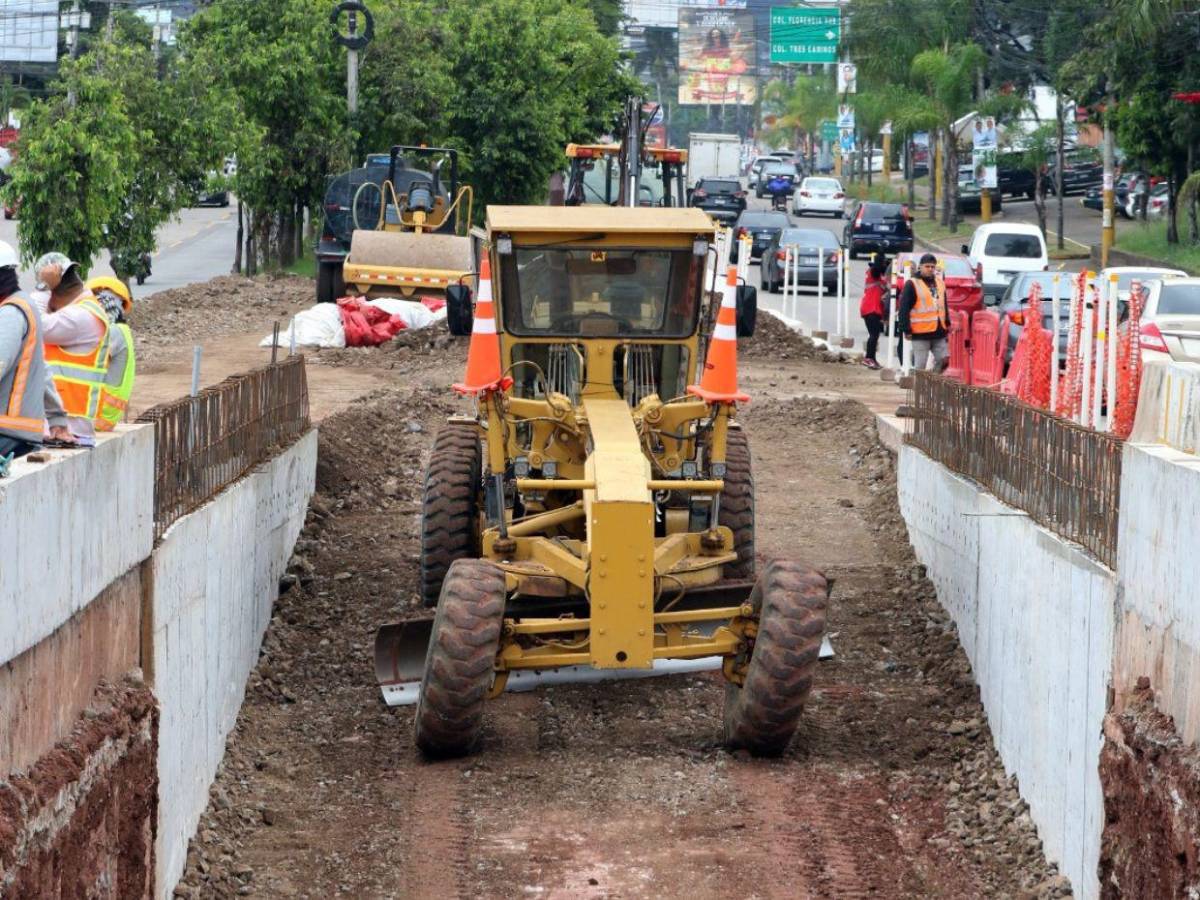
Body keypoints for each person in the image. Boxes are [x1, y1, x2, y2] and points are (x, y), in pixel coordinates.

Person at [0, 241, 68, 459]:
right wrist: (57, 417)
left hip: (8, 432)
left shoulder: (10, 313)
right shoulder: (22, 305)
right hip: (18, 433)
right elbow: (42, 369)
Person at [34, 252, 111, 442]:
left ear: (54, 294)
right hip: (63, 428)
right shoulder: (81, 312)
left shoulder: (80, 317)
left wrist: (43, 288)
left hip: (70, 429)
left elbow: (34, 323)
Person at [86, 276, 136, 431]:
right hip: (104, 414)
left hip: (98, 413)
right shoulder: (122, 331)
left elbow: (85, 356)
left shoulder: (113, 332)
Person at [898, 252, 949, 372]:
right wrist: (905, 328)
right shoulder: (912, 284)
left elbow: (944, 305)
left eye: (932, 267)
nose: (930, 269)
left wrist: (947, 323)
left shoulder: (940, 283)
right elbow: (904, 308)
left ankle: (933, 383)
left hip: (939, 331)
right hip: (920, 332)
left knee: (943, 360)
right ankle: (919, 388)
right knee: (920, 366)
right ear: (920, 267)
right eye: (927, 266)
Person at [859, 257, 888, 370]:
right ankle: (868, 358)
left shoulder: (878, 277)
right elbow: (877, 268)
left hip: (873, 309)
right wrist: (881, 252)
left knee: (875, 335)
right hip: (871, 308)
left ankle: (872, 358)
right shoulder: (873, 273)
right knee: (874, 334)